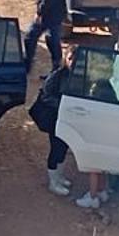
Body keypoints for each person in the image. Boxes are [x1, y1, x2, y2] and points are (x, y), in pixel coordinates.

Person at [28, 43, 75, 196]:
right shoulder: (57, 75)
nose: (73, 61)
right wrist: (63, 104)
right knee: (56, 148)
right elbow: (46, 96)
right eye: (70, 58)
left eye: (75, 58)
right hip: (54, 118)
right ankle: (53, 182)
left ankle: (59, 177)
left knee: (63, 147)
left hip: (67, 118)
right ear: (65, 58)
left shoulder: (76, 76)